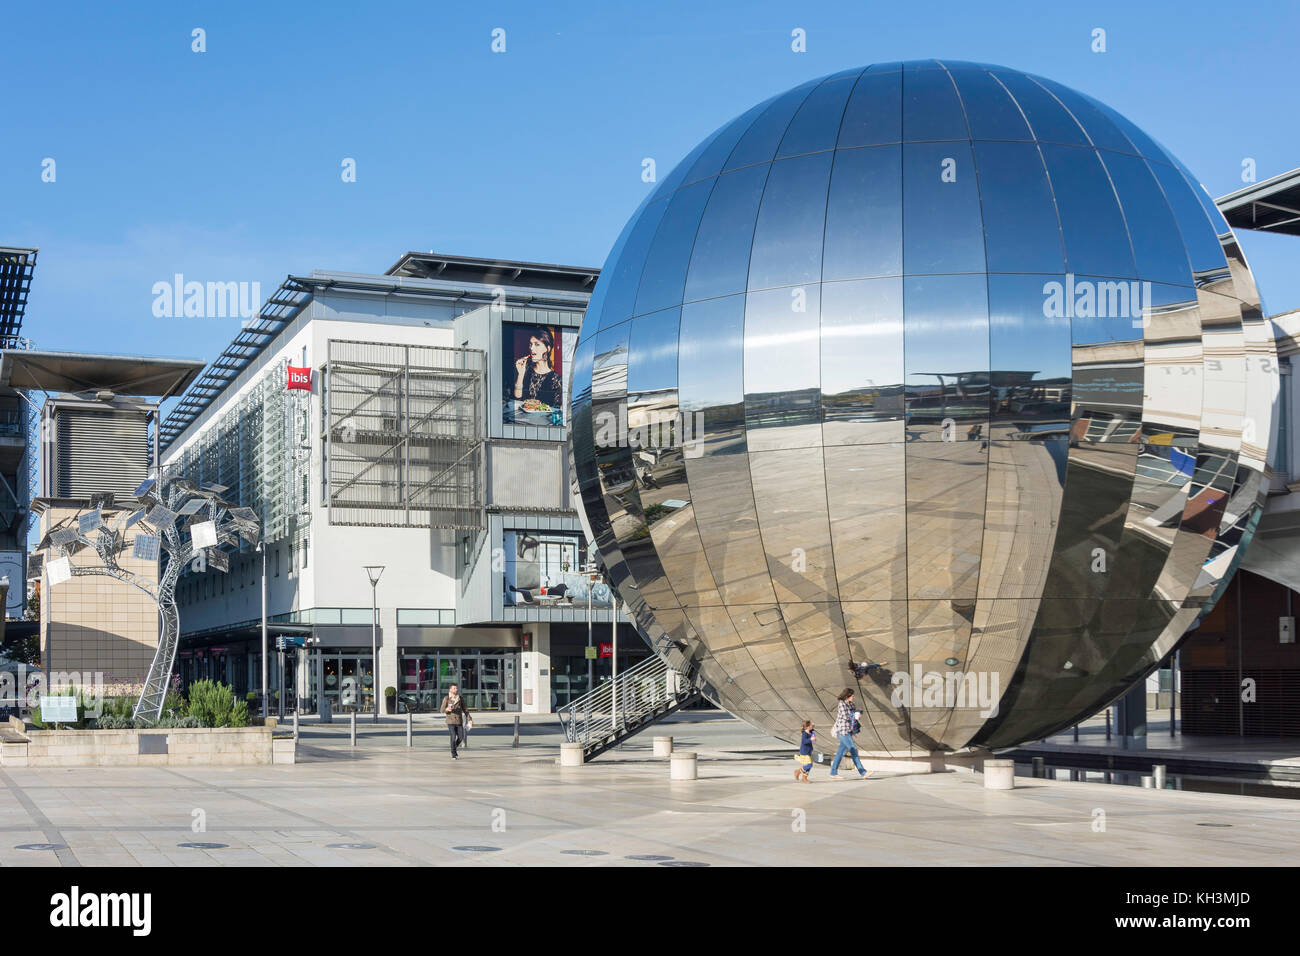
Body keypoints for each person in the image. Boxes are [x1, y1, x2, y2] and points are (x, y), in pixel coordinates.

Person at [512, 327, 563, 409]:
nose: (531, 348)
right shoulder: (525, 369)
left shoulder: (556, 379)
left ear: (547, 349)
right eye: (530, 344)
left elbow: (555, 410)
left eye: (537, 344)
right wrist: (520, 374)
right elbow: (517, 398)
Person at [828, 688, 871, 780]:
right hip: (842, 731)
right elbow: (847, 716)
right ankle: (863, 772)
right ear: (847, 696)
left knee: (840, 753)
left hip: (848, 731)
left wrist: (854, 729)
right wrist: (855, 715)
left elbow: (854, 720)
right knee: (853, 749)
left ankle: (833, 772)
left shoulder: (851, 704)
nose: (853, 696)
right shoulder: (841, 704)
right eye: (852, 695)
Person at [440, 684, 471, 759]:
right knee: (453, 737)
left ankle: (454, 748)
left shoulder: (460, 698)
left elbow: (465, 709)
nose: (456, 689)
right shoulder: (447, 698)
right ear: (450, 690)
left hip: (459, 721)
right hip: (450, 721)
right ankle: (453, 754)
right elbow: (441, 710)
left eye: (456, 688)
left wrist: (469, 719)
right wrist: (446, 709)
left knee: (461, 737)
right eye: (454, 688)